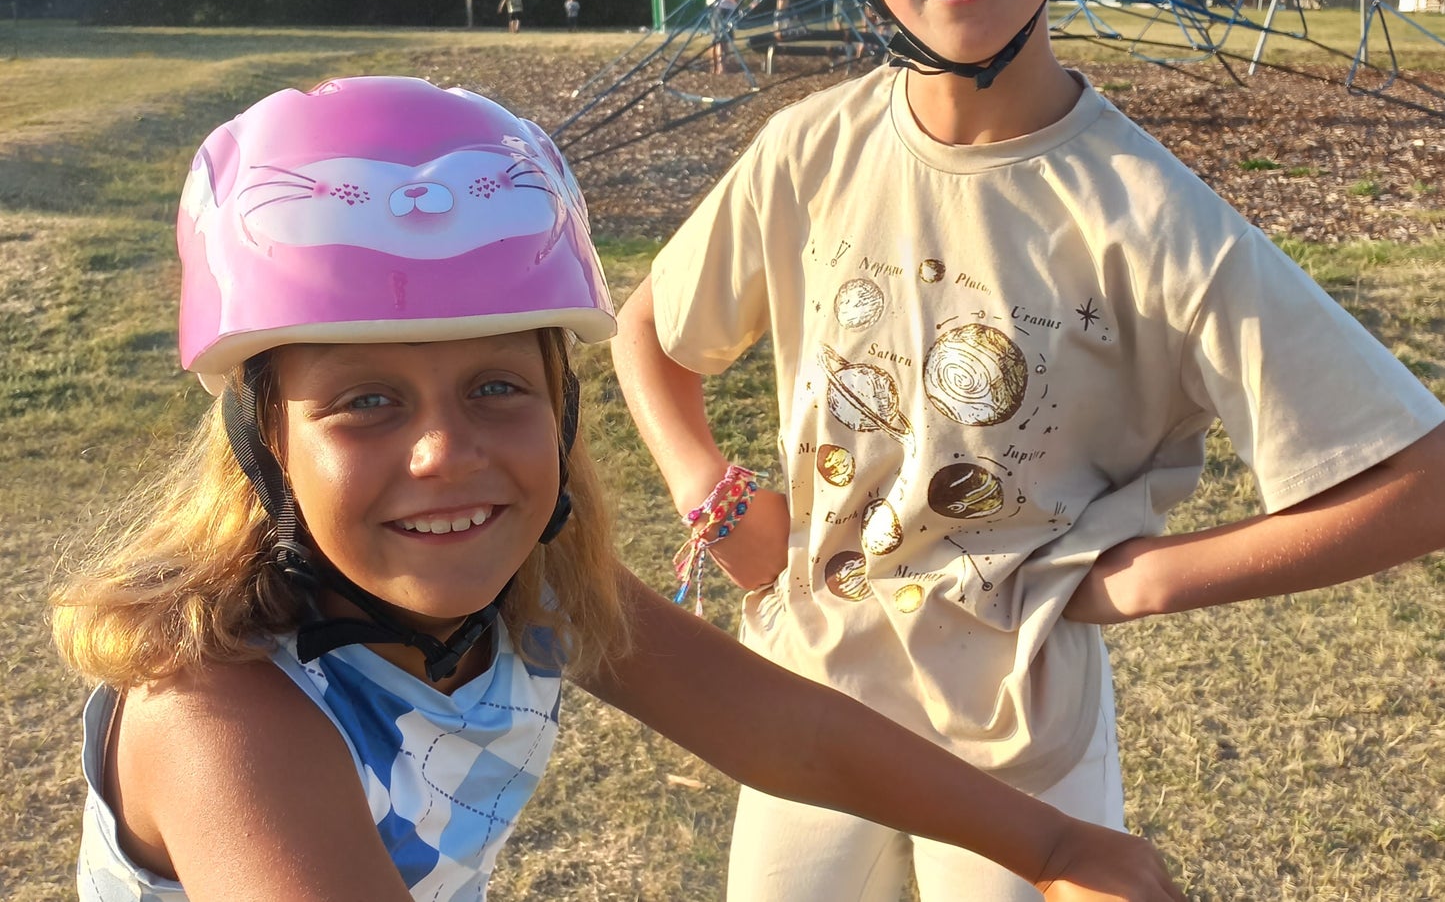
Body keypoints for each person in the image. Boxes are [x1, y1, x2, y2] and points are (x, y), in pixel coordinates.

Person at [611, 0, 1445, 902]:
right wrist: (711, 496)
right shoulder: (804, 151)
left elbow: (1418, 477)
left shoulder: (1145, 212)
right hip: (801, 706)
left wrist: (1150, 576)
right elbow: (647, 336)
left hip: (1016, 752)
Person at [52, 75, 1186, 902]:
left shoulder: (533, 591)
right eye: (366, 401)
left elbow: (786, 729)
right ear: (264, 439)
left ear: (563, 406)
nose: (445, 448)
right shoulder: (221, 714)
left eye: (497, 384)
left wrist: (1054, 844)